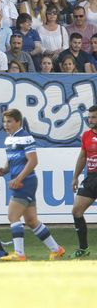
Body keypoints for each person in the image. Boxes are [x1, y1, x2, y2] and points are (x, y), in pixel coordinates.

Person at [0, 109, 65, 261]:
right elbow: (13, 160)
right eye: (4, 121)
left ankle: (19, 254)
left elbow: (33, 161)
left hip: (26, 182)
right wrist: (4, 170)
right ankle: (57, 249)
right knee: (31, 220)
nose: (6, 124)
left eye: (9, 121)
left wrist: (19, 179)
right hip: (24, 181)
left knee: (13, 216)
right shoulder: (9, 139)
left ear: (18, 122)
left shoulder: (26, 137)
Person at [69, 105, 97, 258]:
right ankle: (83, 248)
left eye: (94, 117)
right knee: (76, 211)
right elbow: (82, 157)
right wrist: (75, 177)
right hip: (91, 178)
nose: (90, 120)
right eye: (90, 117)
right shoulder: (86, 135)